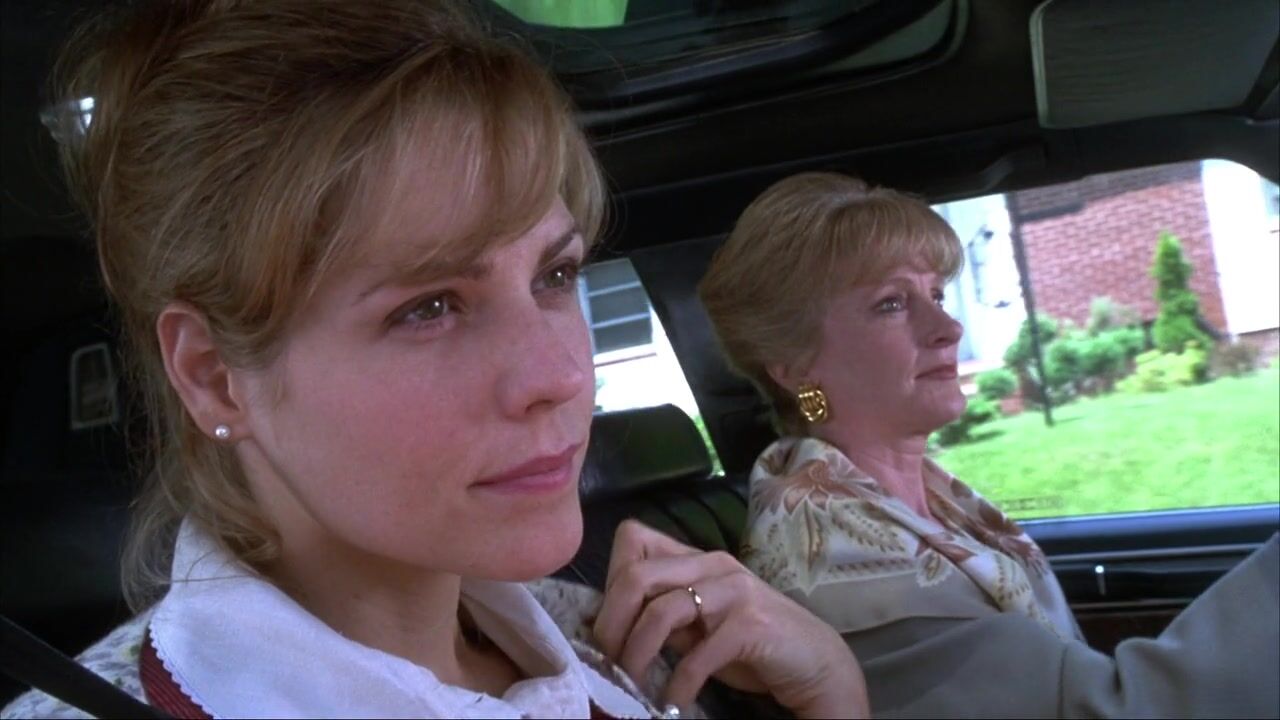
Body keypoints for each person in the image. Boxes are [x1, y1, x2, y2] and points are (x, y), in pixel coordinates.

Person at [1, 4, 868, 718]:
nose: (562, 377)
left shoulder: (618, 642)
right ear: (214, 376)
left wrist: (834, 693)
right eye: (429, 308)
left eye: (555, 275)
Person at [698, 171, 1280, 718]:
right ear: (793, 363)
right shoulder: (829, 554)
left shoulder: (923, 503)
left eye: (936, 295)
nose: (948, 328)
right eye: (891, 303)